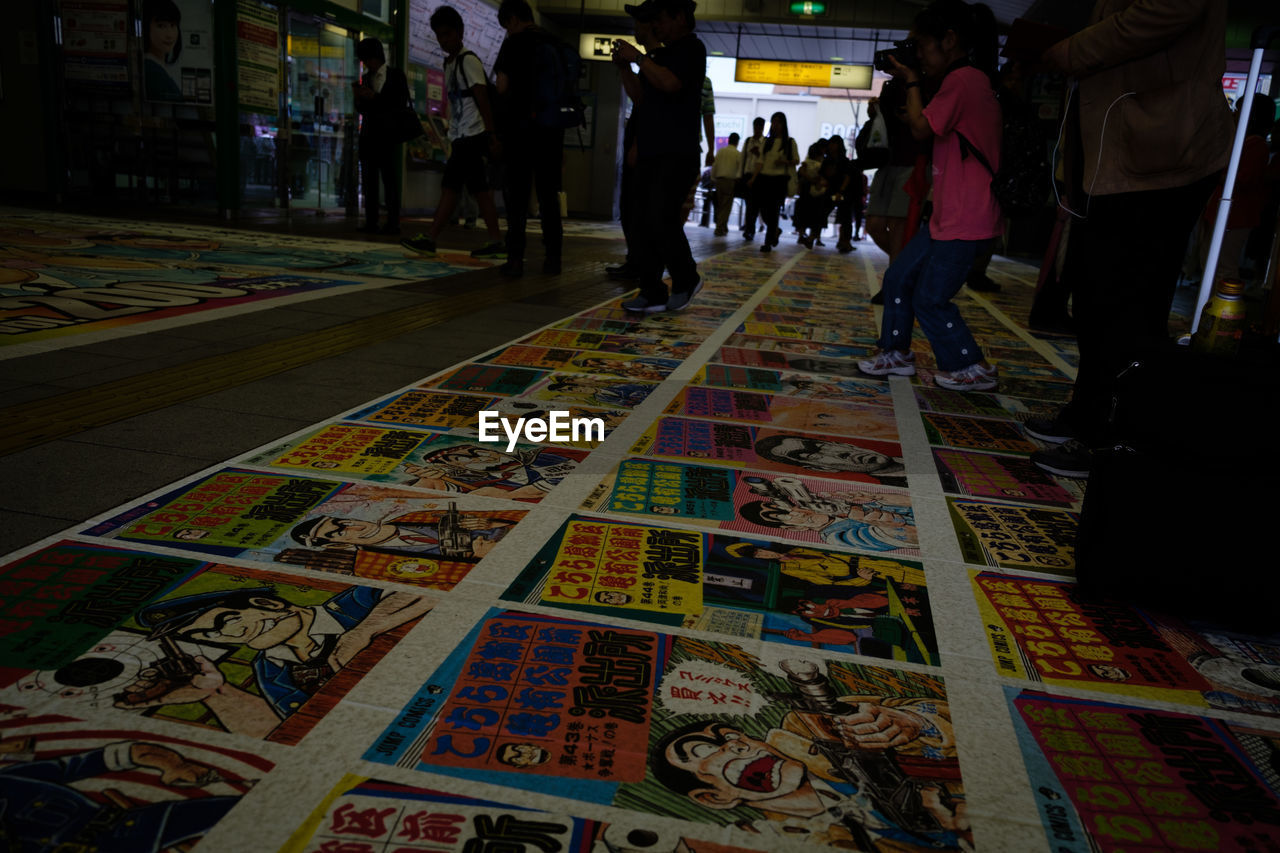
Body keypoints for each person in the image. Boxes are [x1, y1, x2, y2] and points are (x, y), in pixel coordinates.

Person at [1026, 0, 1234, 478]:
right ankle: (1089, 412)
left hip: (1162, 155)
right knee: (1097, 298)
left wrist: (1073, 49)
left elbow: (1159, 15)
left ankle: (1115, 436)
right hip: (1123, 155)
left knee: (1130, 306)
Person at [857, 0, 1003, 392]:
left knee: (931, 299)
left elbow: (921, 129)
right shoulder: (962, 81)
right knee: (899, 276)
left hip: (965, 216)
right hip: (948, 213)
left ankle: (971, 365)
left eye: (920, 45)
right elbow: (924, 126)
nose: (916, 53)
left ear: (950, 40)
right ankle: (896, 353)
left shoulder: (965, 79)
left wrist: (910, 77)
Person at [116, 585, 432, 735]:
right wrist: (215, 694)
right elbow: (288, 731)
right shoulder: (271, 669)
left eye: (224, 622)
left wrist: (363, 632)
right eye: (207, 637)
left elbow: (430, 590)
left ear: (266, 603)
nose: (225, 636)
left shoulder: (353, 603)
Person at [614, 0, 707, 314]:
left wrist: (638, 57)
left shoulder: (692, 49)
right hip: (653, 151)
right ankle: (651, 290)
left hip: (677, 152)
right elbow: (641, 99)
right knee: (641, 222)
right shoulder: (660, 55)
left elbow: (670, 83)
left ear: (679, 17)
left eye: (661, 20)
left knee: (661, 218)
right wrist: (626, 67)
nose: (657, 27)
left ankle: (686, 278)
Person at [401, 7, 506, 259]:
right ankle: (496, 241)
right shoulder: (449, 63)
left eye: (447, 34)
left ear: (460, 32)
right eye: (439, 35)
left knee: (451, 186)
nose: (443, 40)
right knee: (478, 190)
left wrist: (491, 134)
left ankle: (430, 238)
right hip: (462, 135)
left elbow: (482, 98)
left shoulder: (468, 60)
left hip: (472, 135)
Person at [493, 0, 565, 277]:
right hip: (550, 131)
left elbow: (501, 85)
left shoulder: (513, 44)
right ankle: (553, 258)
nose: (507, 32)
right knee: (548, 195)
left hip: (520, 131)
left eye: (506, 26)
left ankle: (515, 259)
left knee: (518, 197)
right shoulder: (554, 43)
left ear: (512, 20)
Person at [605, 6, 663, 281]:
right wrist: (624, 67)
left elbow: (650, 107)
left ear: (651, 25)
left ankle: (643, 265)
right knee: (630, 207)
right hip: (640, 140)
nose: (635, 30)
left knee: (639, 209)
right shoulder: (649, 61)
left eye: (638, 24)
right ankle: (636, 261)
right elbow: (638, 98)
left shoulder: (657, 60)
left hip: (646, 144)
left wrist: (638, 145)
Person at [352, 38, 410, 235]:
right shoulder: (366, 78)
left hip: (388, 136)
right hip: (369, 135)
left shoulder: (396, 76)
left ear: (376, 56)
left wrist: (374, 97)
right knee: (369, 181)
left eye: (368, 59)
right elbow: (364, 110)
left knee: (390, 180)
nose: (367, 64)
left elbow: (398, 103)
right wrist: (359, 99)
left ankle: (393, 223)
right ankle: (371, 221)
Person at [747, 112, 800, 254]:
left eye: (779, 122)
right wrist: (753, 178)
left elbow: (796, 160)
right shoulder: (767, 142)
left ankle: (767, 242)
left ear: (784, 124)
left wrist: (785, 162)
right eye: (774, 122)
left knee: (773, 211)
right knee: (764, 211)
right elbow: (760, 162)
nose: (776, 125)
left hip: (779, 180)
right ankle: (775, 231)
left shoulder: (789, 142)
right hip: (764, 179)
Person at [142, 0, 184, 103]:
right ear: (146, 27)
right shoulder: (151, 71)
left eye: (173, 25)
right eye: (161, 26)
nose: (169, 34)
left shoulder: (157, 67)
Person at [740, 117, 767, 240]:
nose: (757, 129)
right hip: (747, 175)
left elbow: (765, 161)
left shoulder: (765, 142)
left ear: (762, 128)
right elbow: (742, 159)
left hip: (759, 177)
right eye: (755, 127)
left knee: (754, 205)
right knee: (749, 204)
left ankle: (750, 229)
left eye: (759, 127)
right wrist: (740, 176)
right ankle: (749, 229)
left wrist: (757, 154)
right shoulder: (748, 141)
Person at [711, 132, 742, 235]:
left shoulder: (720, 151)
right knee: (726, 206)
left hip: (719, 180)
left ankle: (722, 226)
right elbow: (739, 169)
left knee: (720, 205)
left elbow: (714, 165)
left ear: (728, 140)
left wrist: (713, 178)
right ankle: (719, 227)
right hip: (730, 181)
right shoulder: (737, 154)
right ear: (737, 142)